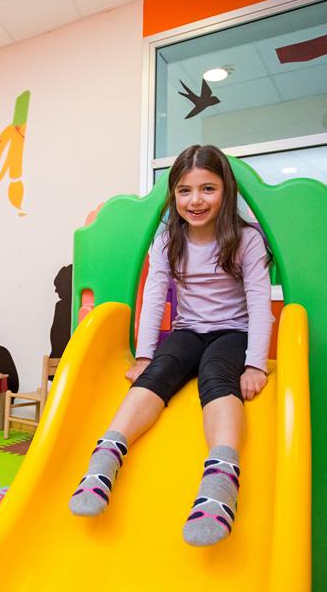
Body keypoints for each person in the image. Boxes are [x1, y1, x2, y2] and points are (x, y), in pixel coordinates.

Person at [69, 144, 273, 547]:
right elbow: (152, 297)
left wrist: (256, 363)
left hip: (233, 332)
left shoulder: (245, 239)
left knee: (216, 374)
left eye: (208, 189)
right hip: (188, 330)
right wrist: (145, 355)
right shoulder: (168, 241)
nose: (196, 200)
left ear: (226, 190)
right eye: (185, 190)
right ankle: (106, 457)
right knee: (159, 371)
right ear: (174, 195)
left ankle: (220, 479)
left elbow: (258, 300)